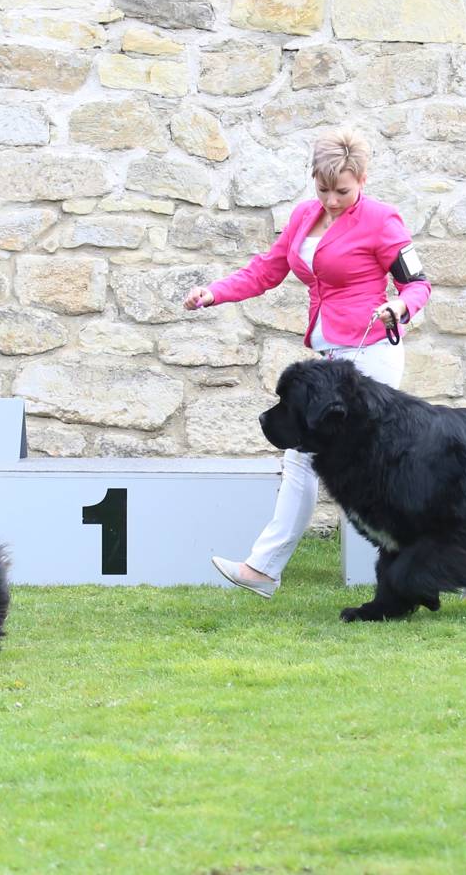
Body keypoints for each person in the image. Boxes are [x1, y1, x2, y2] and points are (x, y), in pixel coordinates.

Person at [184, 129, 432, 597]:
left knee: (365, 463)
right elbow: (266, 269)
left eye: (343, 191)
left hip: (370, 355)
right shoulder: (303, 216)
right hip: (330, 361)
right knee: (305, 458)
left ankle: (264, 567)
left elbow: (417, 284)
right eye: (323, 189)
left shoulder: (382, 220)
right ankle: (263, 569)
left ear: (362, 180)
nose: (332, 201)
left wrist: (400, 306)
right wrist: (214, 293)